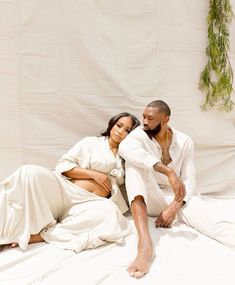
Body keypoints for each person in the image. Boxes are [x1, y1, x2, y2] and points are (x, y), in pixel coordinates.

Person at [119, 100, 235, 278]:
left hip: (175, 198)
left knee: (214, 223)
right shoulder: (139, 135)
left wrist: (174, 207)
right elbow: (125, 149)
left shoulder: (184, 140)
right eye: (143, 116)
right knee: (134, 166)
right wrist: (168, 171)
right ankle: (144, 244)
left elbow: (189, 179)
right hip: (148, 196)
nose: (144, 122)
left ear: (165, 119)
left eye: (150, 118)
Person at [0, 112, 140, 252]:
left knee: (110, 213)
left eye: (127, 130)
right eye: (119, 125)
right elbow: (64, 165)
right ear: (112, 124)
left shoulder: (127, 157)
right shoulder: (90, 143)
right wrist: (93, 174)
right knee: (29, 172)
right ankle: (6, 233)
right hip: (65, 190)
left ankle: (41, 235)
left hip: (89, 203)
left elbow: (133, 185)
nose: (120, 131)